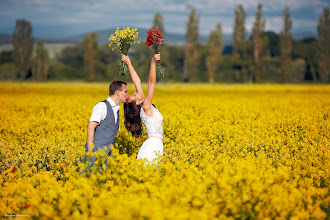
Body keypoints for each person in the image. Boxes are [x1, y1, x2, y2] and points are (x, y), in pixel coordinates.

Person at [121, 53, 163, 163]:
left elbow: (137, 81)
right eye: (134, 95)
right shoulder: (146, 106)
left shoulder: (143, 106)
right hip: (153, 146)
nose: (137, 92)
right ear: (137, 103)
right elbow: (151, 83)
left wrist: (128, 62)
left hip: (154, 145)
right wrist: (153, 62)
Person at [84, 81, 128, 166]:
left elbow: (112, 134)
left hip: (108, 157)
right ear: (118, 92)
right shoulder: (102, 106)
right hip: (96, 154)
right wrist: (90, 151)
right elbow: (90, 127)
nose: (127, 94)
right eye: (125, 91)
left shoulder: (117, 111)